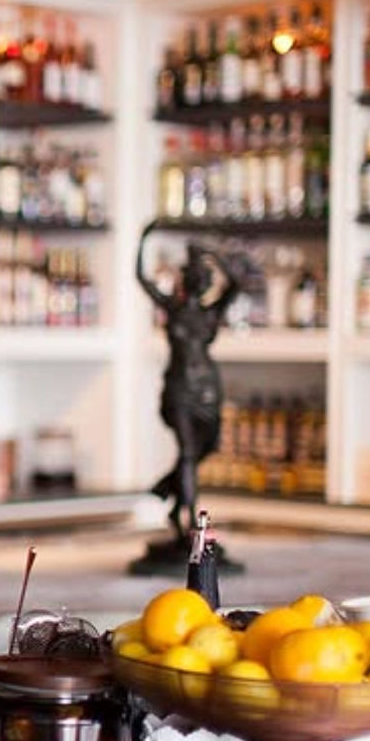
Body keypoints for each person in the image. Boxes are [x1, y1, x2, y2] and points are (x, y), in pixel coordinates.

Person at [136, 224, 243, 545]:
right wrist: (144, 240)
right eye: (195, 275)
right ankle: (190, 520)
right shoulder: (173, 308)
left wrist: (215, 256)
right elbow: (141, 278)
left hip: (208, 388)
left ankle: (168, 490)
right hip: (180, 388)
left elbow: (236, 284)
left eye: (203, 276)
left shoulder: (212, 312)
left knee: (206, 447)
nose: (199, 281)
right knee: (187, 452)